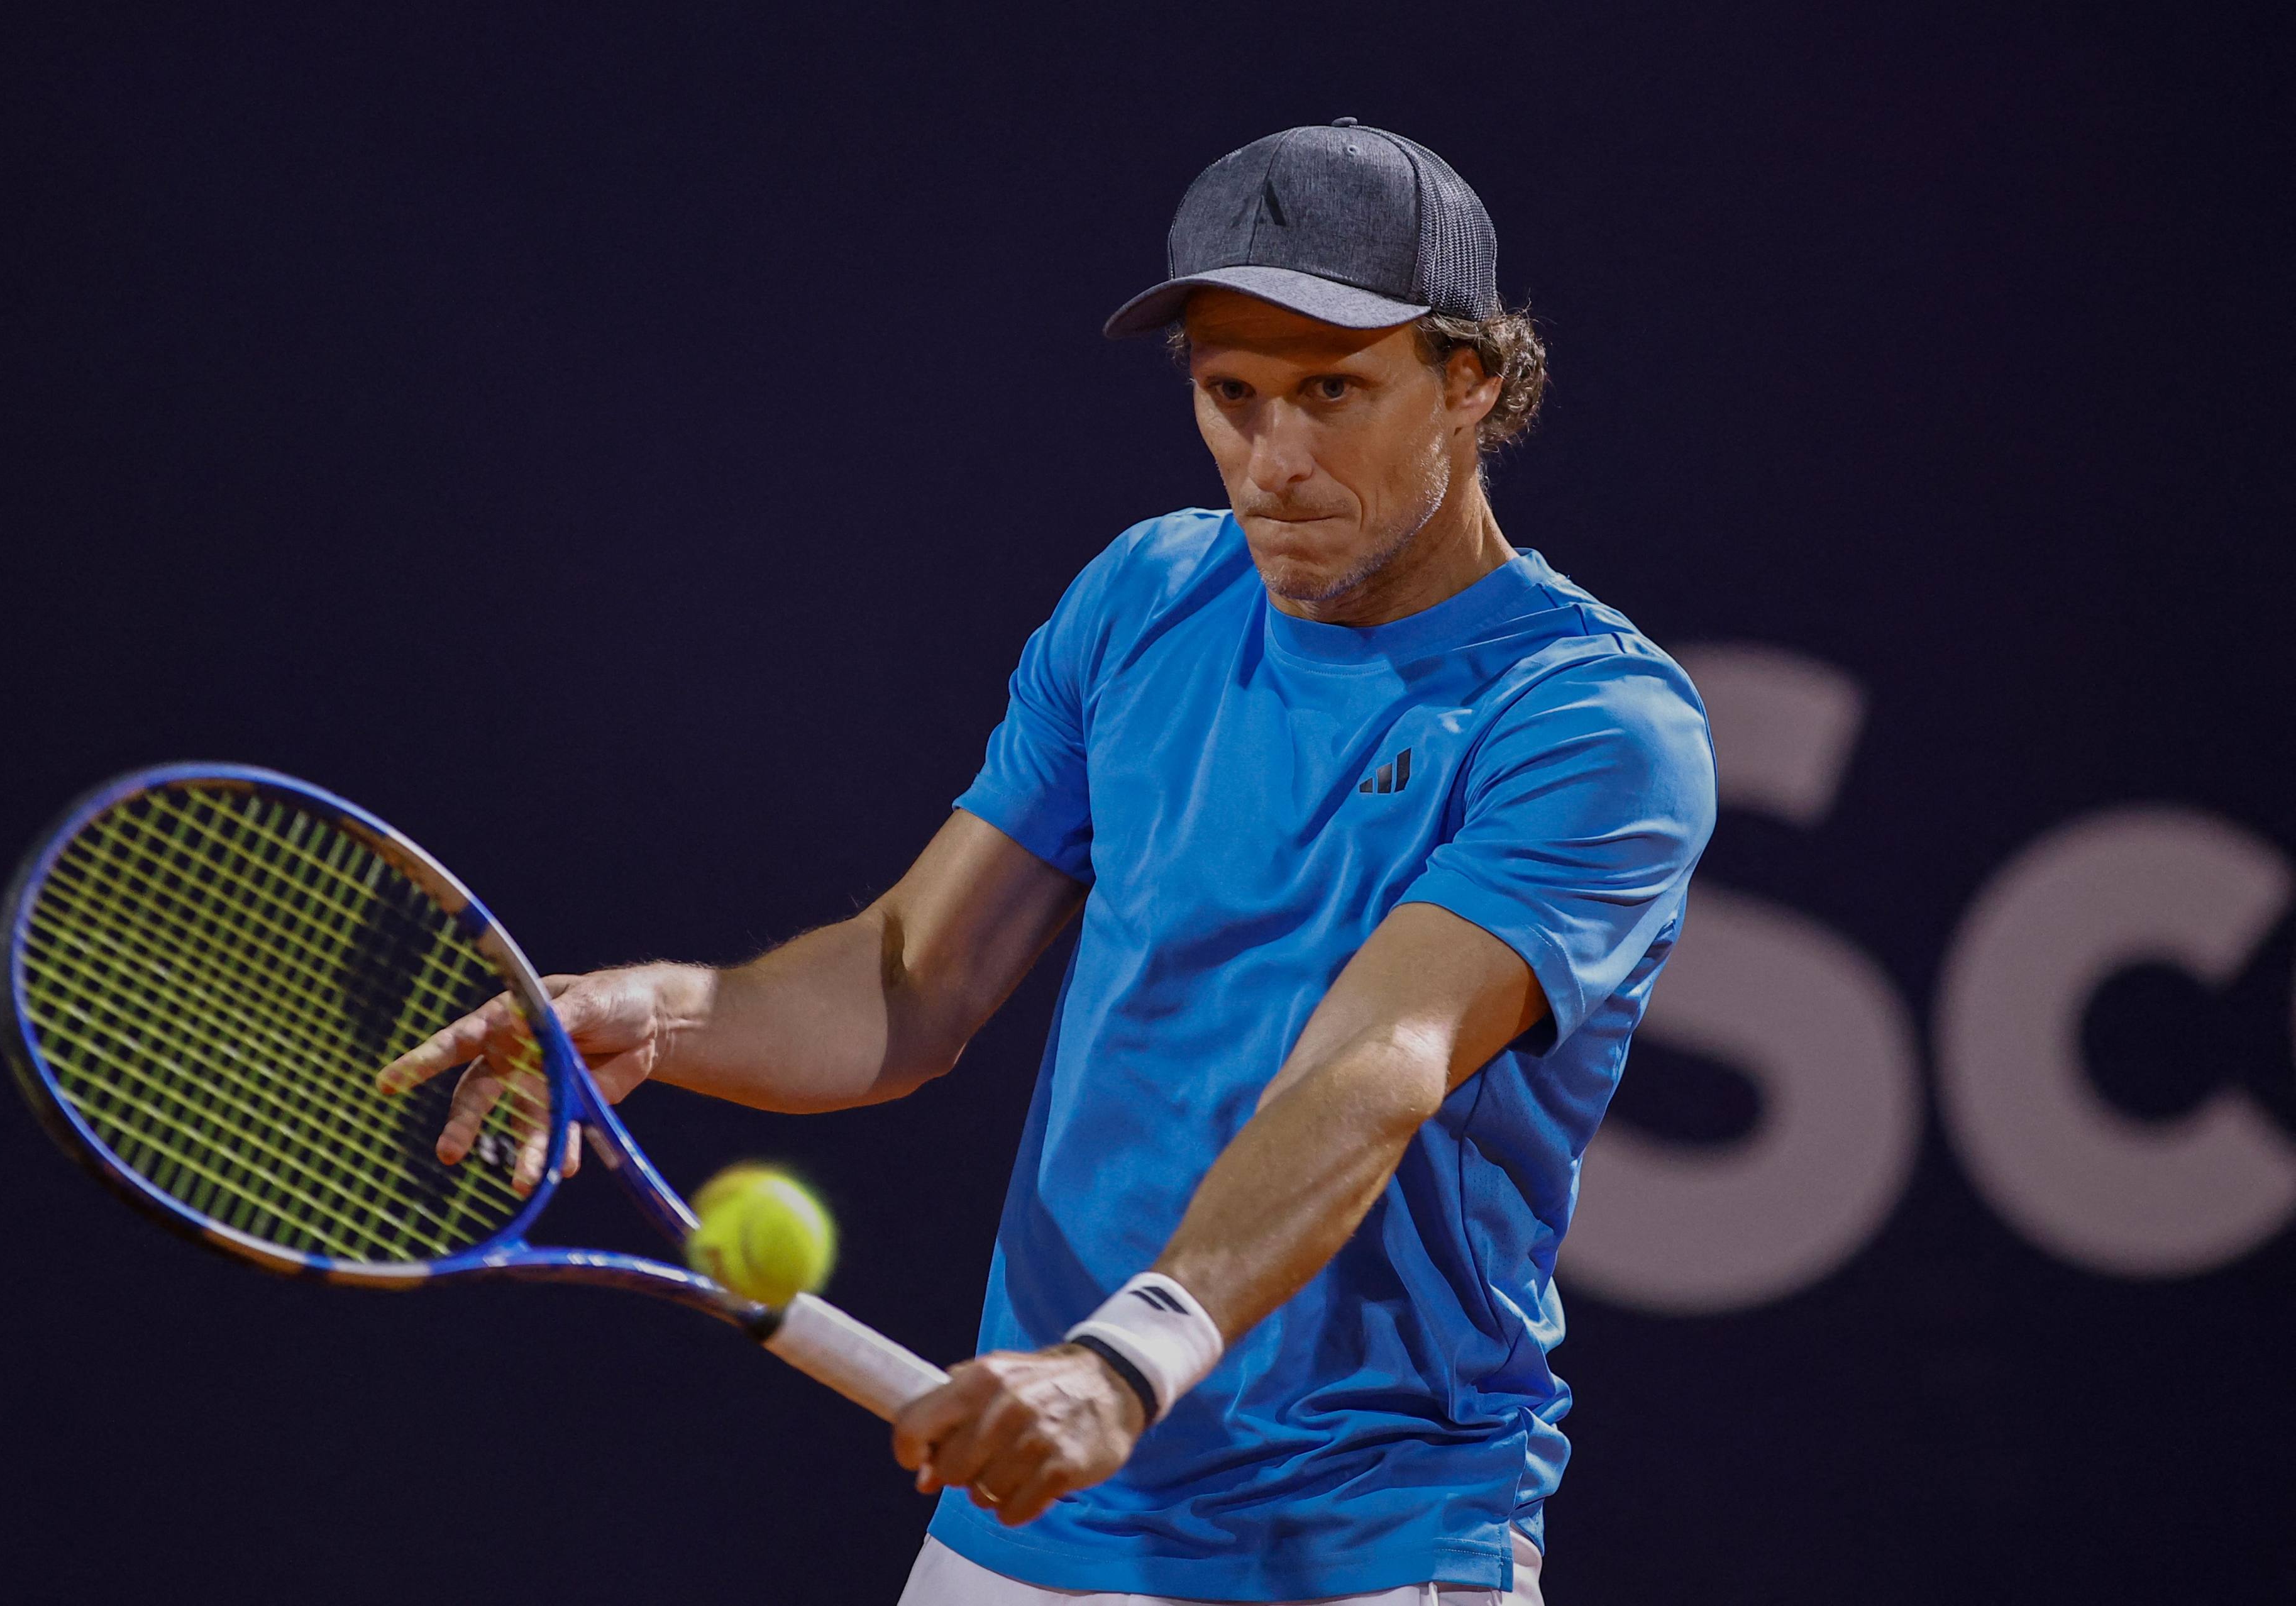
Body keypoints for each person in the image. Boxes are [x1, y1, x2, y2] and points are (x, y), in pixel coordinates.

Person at [382, 121, 1716, 1605]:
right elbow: (909, 982)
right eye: (1230, 395)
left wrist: (1124, 1363)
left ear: (1471, 379)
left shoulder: (1588, 719)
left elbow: (1379, 1065)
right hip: (1026, 1523)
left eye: (1332, 392)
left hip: (1357, 1543)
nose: (1272, 461)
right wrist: (671, 1012)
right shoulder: (1141, 599)